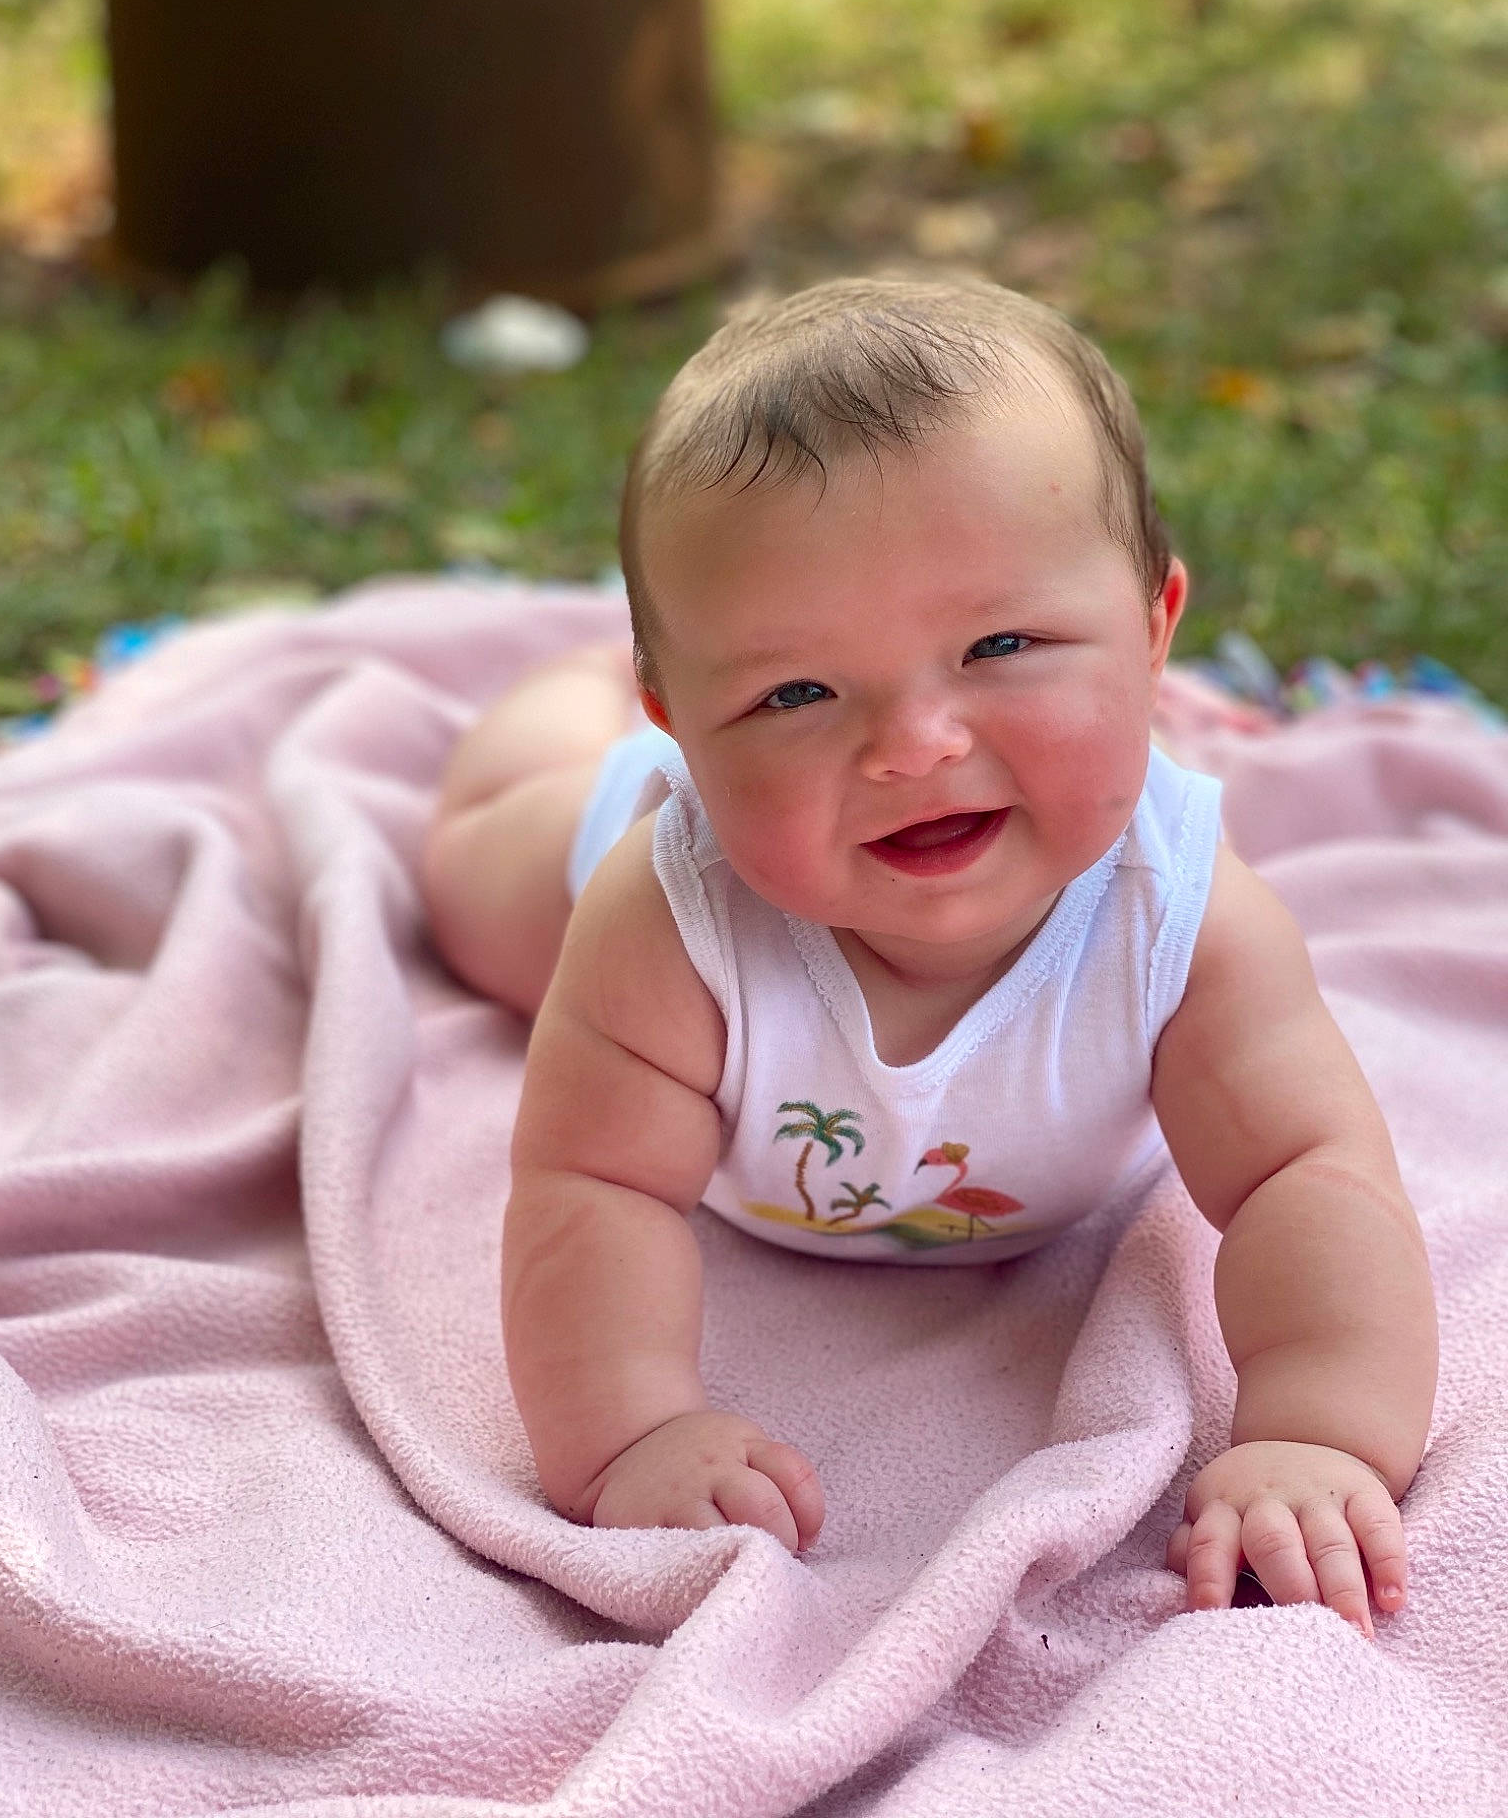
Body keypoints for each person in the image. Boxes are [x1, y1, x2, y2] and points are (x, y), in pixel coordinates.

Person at [421, 276, 1437, 1638]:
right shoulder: (665, 924)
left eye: (1000, 645)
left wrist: (1319, 1434)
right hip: (600, 851)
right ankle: (570, 704)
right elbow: (590, 1186)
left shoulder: (1181, 922)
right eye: (793, 693)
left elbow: (1306, 1175)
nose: (912, 746)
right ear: (691, 732)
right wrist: (629, 1436)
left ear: (1151, 632)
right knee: (475, 881)